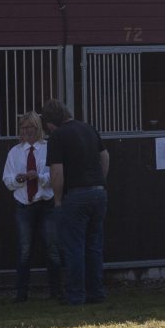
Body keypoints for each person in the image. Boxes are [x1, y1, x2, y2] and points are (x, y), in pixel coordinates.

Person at [42, 98, 110, 305]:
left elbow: (56, 172)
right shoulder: (88, 128)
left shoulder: (57, 136)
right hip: (98, 192)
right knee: (94, 246)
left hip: (76, 195)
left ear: (50, 123)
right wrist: (100, 180)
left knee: (74, 248)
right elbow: (105, 156)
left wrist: (58, 200)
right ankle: (96, 292)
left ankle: (76, 295)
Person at [0, 111, 60, 302]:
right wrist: (18, 179)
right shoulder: (15, 152)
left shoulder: (49, 148)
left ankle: (56, 292)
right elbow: (7, 179)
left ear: (38, 128)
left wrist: (40, 177)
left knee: (52, 248)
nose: (26, 131)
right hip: (24, 205)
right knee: (24, 249)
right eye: (23, 128)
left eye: (30, 127)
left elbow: (55, 176)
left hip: (46, 204)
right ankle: (21, 294)